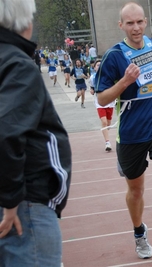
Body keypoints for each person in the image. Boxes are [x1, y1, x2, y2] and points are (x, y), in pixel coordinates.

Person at [95, 2, 152, 265]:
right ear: (121, 26)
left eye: (139, 22)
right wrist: (124, 81)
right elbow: (102, 98)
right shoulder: (114, 56)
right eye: (130, 23)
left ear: (145, 22)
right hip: (132, 132)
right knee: (136, 190)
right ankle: (139, 232)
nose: (135, 28)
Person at [0, 1, 72, 266]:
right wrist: (10, 200)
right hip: (25, 202)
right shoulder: (18, 65)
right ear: (24, 21)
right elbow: (7, 132)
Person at [89, 59, 115, 152]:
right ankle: (107, 142)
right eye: (97, 65)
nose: (99, 66)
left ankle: (106, 134)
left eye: (101, 65)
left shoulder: (109, 76)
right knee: (103, 122)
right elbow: (92, 88)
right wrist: (92, 91)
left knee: (108, 123)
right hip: (100, 103)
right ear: (94, 67)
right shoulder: (92, 78)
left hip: (110, 102)